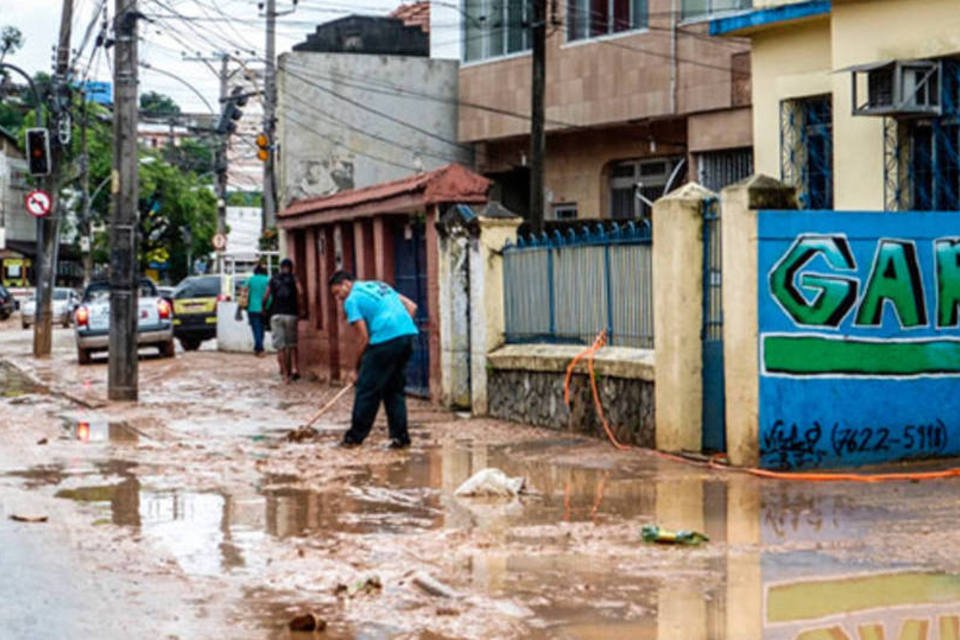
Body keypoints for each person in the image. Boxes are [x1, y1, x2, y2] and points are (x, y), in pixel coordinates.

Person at [328, 270, 419, 449]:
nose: (338, 299)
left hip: (384, 341)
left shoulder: (352, 300)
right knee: (393, 390)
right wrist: (398, 328)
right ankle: (400, 438)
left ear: (346, 283)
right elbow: (412, 306)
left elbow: (363, 338)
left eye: (337, 293)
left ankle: (354, 438)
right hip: (407, 336)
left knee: (366, 390)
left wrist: (355, 369)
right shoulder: (380, 285)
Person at [263, 258, 304, 383]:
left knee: (280, 347)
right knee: (292, 345)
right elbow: (300, 293)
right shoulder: (294, 278)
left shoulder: (273, 279)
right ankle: (296, 369)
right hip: (291, 314)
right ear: (291, 267)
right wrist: (301, 308)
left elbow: (266, 296)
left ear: (280, 267)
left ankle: (285, 375)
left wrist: (263, 308)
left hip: (276, 315)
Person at [245, 264, 270, 357]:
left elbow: (244, 292)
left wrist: (242, 306)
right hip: (265, 308)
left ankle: (259, 348)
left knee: (256, 329)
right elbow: (270, 295)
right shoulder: (267, 280)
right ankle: (258, 348)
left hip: (252, 308)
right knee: (262, 329)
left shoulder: (250, 280)